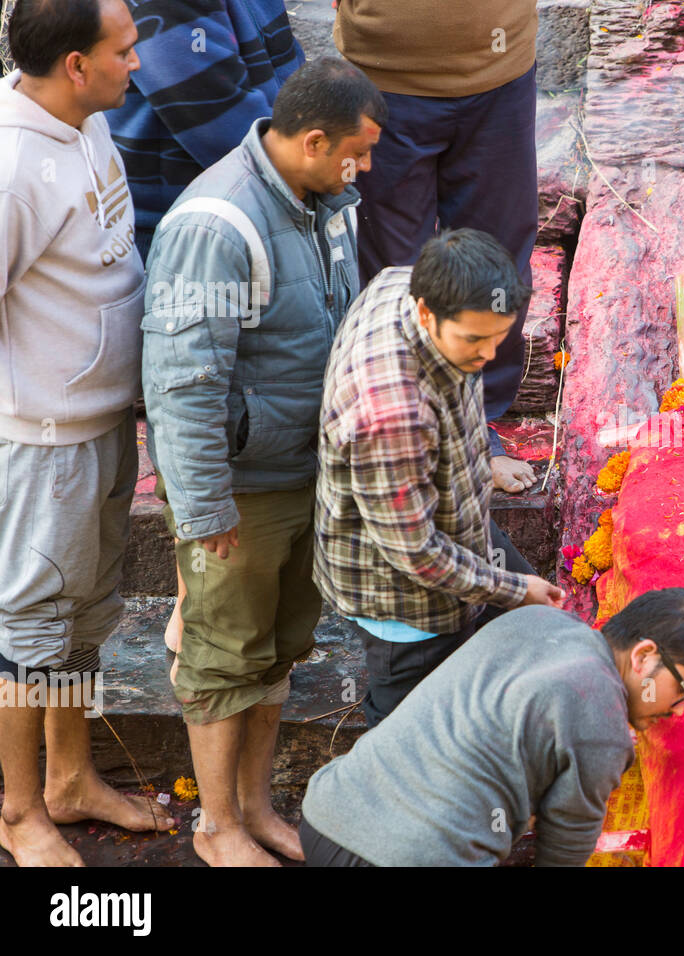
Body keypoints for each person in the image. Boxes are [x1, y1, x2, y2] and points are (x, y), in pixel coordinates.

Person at [141, 57, 384, 866]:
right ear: (313, 142)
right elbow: (184, 384)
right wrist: (205, 509)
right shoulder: (217, 225)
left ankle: (253, 806)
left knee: (279, 648)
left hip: (305, 477)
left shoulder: (327, 200)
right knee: (220, 657)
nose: (368, 168)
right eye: (359, 152)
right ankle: (215, 828)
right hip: (241, 493)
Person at [0, 0, 175, 867]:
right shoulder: (12, 169)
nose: (136, 62)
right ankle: (21, 811)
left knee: (84, 620)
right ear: (76, 64)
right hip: (42, 443)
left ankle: (70, 775)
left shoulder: (88, 122)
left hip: (103, 422)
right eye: (124, 49)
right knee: (29, 630)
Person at [106, 0, 304, 671]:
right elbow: (206, 101)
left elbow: (284, 68)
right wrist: (298, 164)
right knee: (195, 396)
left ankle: (203, 606)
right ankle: (195, 608)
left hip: (237, 199)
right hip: (181, 212)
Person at [314, 228, 564, 728]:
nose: (488, 356)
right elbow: (416, 554)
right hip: (403, 598)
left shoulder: (401, 283)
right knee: (408, 735)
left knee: (539, 632)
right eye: (473, 340)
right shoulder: (393, 415)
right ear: (426, 313)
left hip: (451, 523)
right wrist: (512, 588)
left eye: (500, 336)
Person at [299, 589, 684, 866]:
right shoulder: (602, 716)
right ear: (644, 656)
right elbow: (566, 843)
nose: (679, 709)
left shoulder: (538, 621)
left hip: (326, 815)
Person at [333, 0, 540, 494]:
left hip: (500, 69)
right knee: (393, 272)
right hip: (384, 76)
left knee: (500, 261)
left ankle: (478, 425)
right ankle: (409, 427)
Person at [107, 0, 303, 263]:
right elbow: (223, 125)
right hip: (186, 223)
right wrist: (307, 168)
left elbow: (292, 66)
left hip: (248, 199)